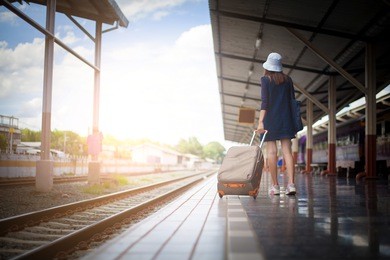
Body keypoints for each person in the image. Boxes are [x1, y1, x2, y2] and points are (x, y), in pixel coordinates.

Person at [256, 52, 297, 196]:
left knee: (272, 152)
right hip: (286, 119)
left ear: (268, 66)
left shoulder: (265, 80)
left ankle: (275, 186)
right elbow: (292, 100)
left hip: (270, 120)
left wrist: (261, 121)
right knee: (287, 152)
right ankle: (291, 185)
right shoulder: (288, 80)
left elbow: (265, 103)